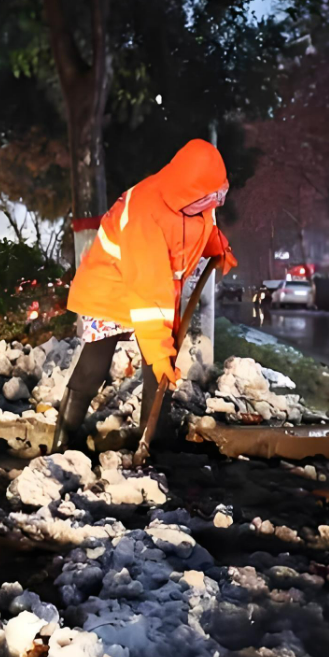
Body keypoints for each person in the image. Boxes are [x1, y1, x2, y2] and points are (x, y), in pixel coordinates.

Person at [54, 139, 236, 451]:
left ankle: (152, 438)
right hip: (109, 289)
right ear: (187, 191)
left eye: (214, 199)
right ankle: (63, 437)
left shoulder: (194, 202)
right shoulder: (146, 213)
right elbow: (149, 293)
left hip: (149, 287)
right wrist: (157, 349)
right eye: (207, 199)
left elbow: (196, 229)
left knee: (159, 366)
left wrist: (216, 247)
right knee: (95, 366)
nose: (212, 205)